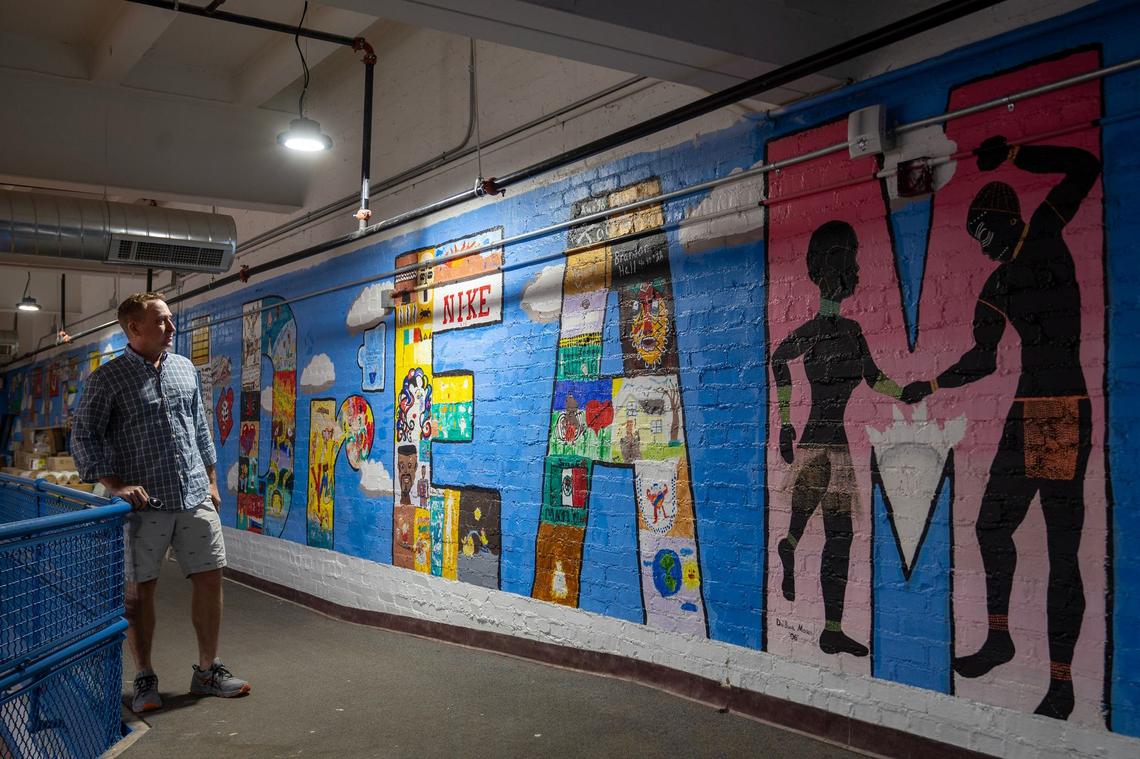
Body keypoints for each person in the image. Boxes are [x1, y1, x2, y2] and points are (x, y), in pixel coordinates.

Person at [902, 136, 1100, 719]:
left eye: (981, 232)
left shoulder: (1045, 228)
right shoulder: (995, 287)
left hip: (1061, 409)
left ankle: (1061, 681)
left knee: (1063, 551)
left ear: (999, 220)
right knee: (992, 526)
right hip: (1023, 408)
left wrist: (1014, 152)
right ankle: (1001, 635)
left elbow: (1085, 165)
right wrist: (932, 385)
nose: (981, 246)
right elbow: (982, 358)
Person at [71, 293, 250, 713]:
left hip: (193, 494)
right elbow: (84, 436)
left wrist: (210, 478)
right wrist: (114, 486)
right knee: (139, 592)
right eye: (162, 321)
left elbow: (200, 426)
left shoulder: (185, 369)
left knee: (210, 576)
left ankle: (207, 671)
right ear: (134, 328)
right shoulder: (108, 379)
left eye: (171, 320)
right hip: (143, 503)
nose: (172, 328)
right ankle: (145, 676)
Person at [771, 220, 906, 657]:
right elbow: (779, 359)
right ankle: (788, 548)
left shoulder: (853, 332)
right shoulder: (814, 331)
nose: (857, 270)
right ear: (837, 269)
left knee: (840, 535)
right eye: (852, 260)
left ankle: (831, 627)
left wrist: (911, 391)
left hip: (836, 447)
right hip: (815, 443)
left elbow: (875, 379)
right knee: (808, 521)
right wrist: (786, 422)